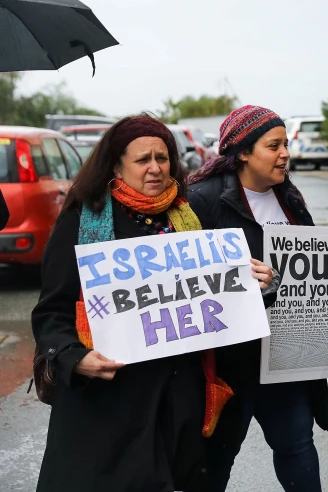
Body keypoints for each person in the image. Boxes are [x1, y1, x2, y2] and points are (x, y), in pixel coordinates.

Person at [31, 114, 251, 491]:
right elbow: (52, 310)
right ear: (116, 165)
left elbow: (218, 299)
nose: (155, 169)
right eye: (142, 160)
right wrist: (73, 356)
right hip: (107, 406)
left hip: (175, 402)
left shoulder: (187, 218)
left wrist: (254, 284)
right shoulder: (81, 222)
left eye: (162, 158)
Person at [186, 105, 328, 492]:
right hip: (229, 362)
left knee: (298, 446)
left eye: (286, 143)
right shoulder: (202, 201)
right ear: (244, 151)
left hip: (284, 354)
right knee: (216, 455)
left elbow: (309, 268)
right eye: (274, 145)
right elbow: (184, 283)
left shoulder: (291, 199)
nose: (286, 152)